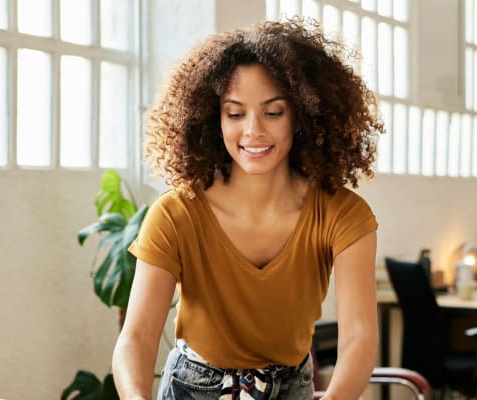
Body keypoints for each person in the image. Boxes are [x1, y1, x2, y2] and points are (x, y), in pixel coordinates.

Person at [112, 17, 384, 400]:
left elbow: (359, 337)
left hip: (292, 388)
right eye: (235, 114)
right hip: (192, 388)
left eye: (273, 113)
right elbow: (137, 337)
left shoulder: (343, 215)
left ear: (304, 115)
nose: (253, 131)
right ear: (212, 118)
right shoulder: (176, 214)